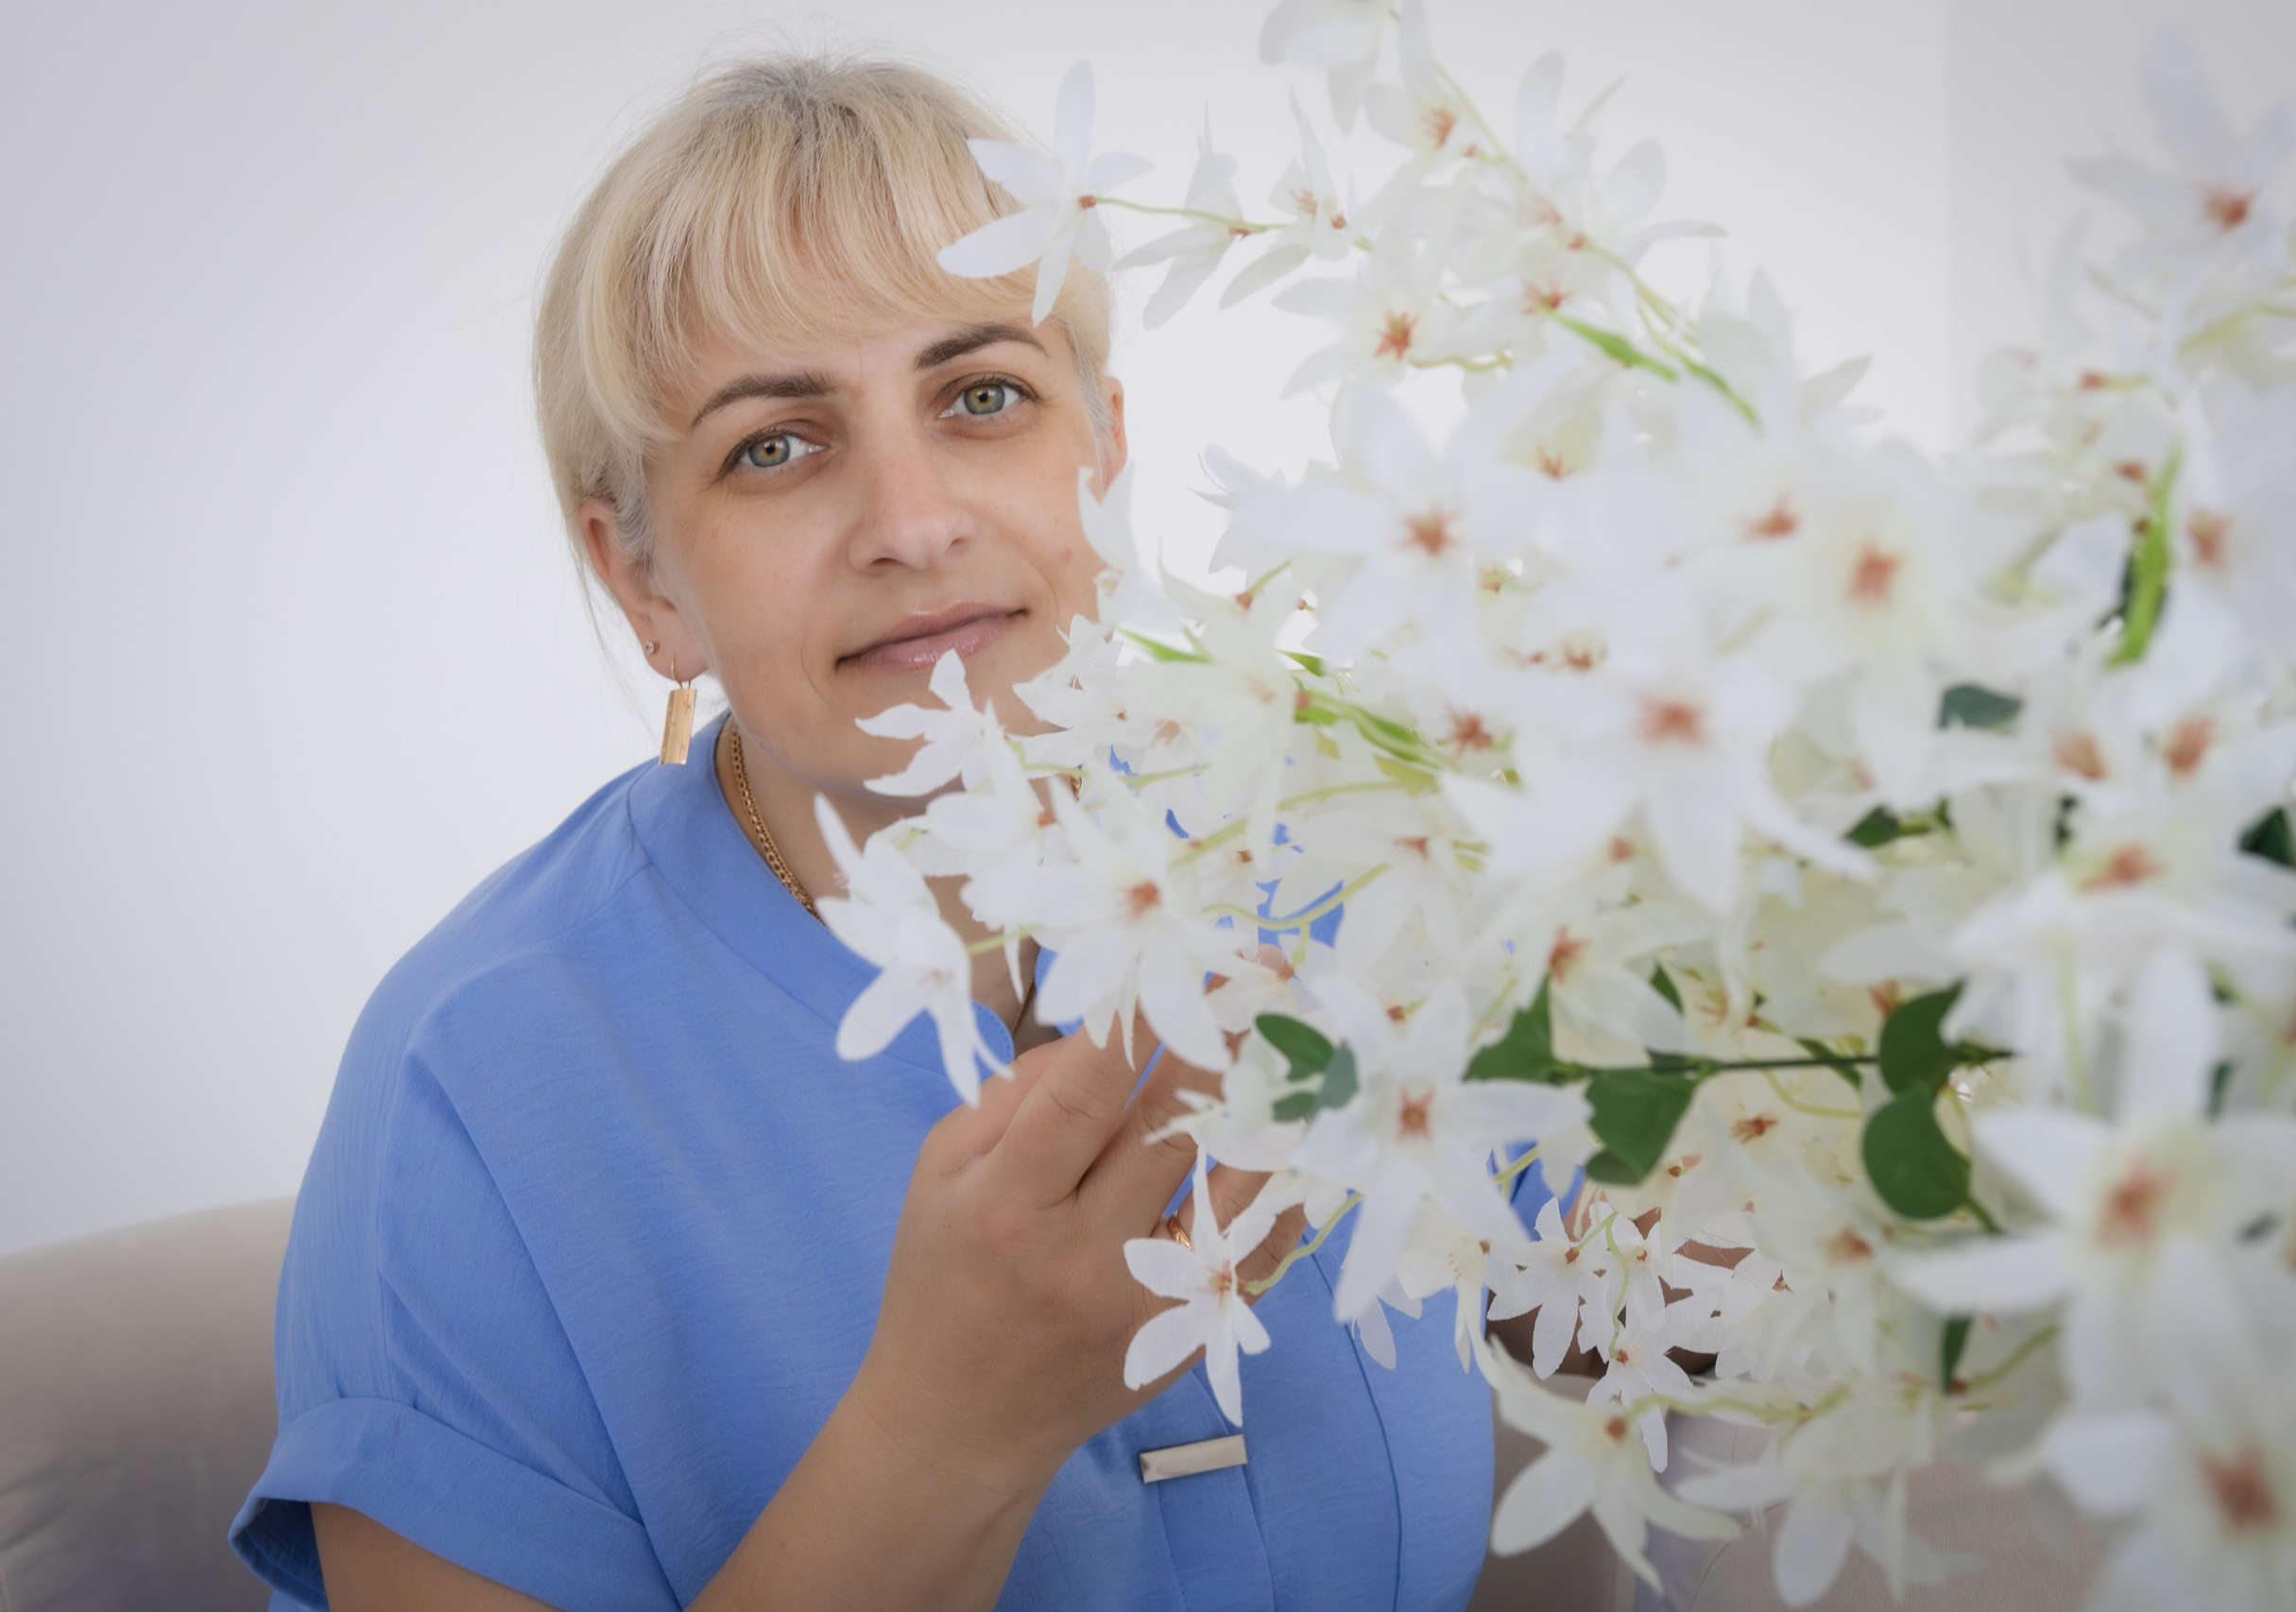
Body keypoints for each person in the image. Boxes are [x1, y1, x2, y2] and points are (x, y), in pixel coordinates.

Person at [227, 52, 1506, 1612]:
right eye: (775, 443)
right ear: (643, 581)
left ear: (1101, 453)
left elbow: (1636, 1303)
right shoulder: (470, 1090)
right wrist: (947, 1428)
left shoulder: (1353, 848)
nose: (912, 518)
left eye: (983, 397)